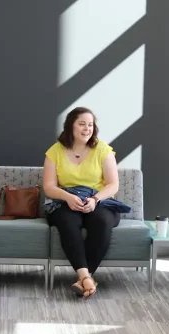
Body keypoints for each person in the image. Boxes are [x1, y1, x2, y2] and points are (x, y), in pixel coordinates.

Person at [43, 106, 129, 298]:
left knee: (102, 221)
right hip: (66, 199)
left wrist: (95, 199)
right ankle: (86, 277)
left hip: (98, 200)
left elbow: (113, 185)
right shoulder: (55, 151)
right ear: (70, 127)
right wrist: (68, 197)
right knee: (68, 222)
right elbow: (49, 187)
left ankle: (84, 279)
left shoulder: (103, 150)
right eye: (82, 124)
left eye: (90, 124)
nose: (87, 128)